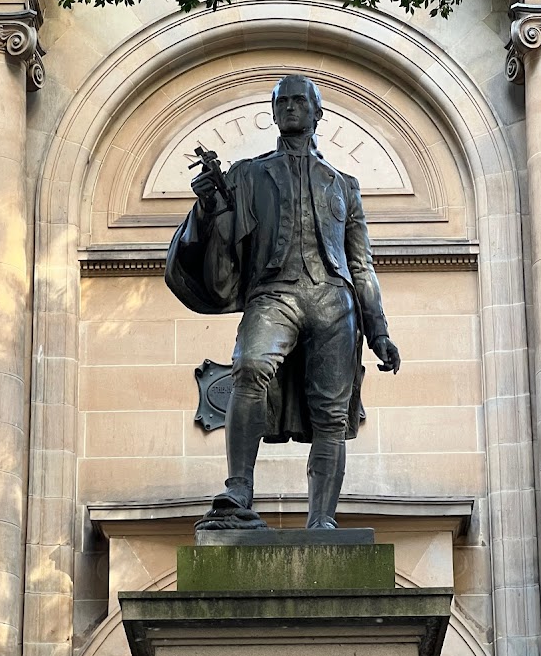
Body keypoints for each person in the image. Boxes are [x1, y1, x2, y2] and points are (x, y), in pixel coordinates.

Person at [165, 75, 400, 529]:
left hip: (335, 300)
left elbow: (362, 264)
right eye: (283, 102)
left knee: (331, 412)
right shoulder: (249, 174)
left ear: (317, 113)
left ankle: (322, 520)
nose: (291, 108)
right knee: (250, 365)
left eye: (300, 101)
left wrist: (380, 332)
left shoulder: (344, 185)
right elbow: (225, 237)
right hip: (275, 293)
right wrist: (210, 205)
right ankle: (238, 488)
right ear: (274, 113)